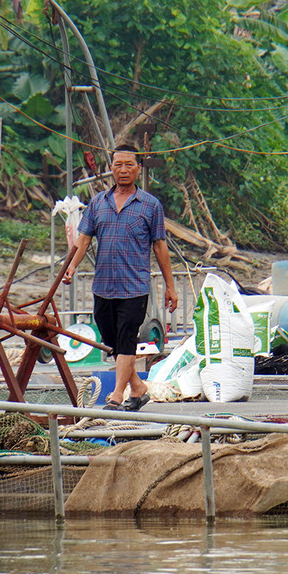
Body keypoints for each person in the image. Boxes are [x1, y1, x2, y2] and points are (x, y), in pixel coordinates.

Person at [63, 145, 177, 412]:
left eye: (129, 165)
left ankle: (116, 395)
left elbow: (160, 246)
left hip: (134, 285)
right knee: (112, 339)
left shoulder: (150, 205)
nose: (123, 170)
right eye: (118, 165)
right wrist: (72, 266)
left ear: (138, 169)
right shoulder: (97, 203)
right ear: (111, 168)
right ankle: (138, 387)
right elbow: (84, 239)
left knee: (126, 338)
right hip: (103, 285)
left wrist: (170, 287)